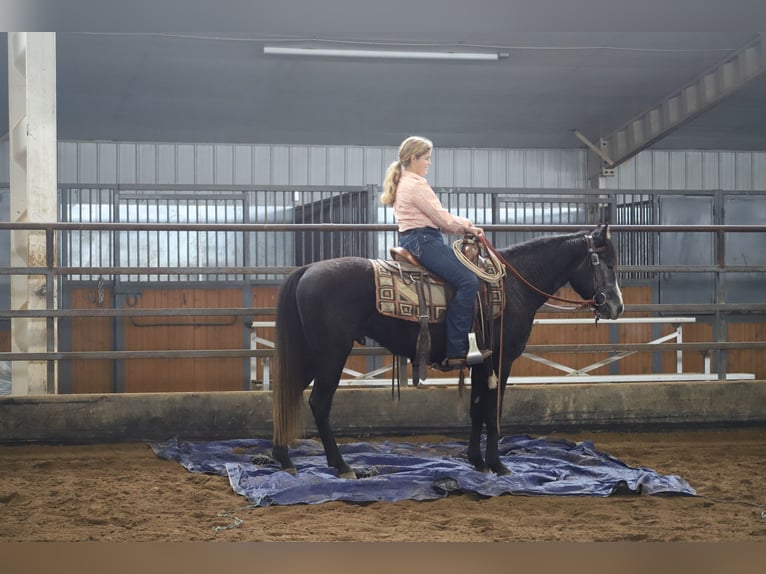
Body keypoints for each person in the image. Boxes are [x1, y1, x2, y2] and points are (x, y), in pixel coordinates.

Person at [381, 135, 489, 370]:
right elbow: (442, 220)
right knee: (468, 282)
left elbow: (439, 218)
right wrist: (467, 226)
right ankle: (456, 350)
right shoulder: (416, 184)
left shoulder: (403, 182)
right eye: (427, 158)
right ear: (413, 158)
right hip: (425, 241)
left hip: (412, 240)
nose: (429, 163)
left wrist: (461, 224)